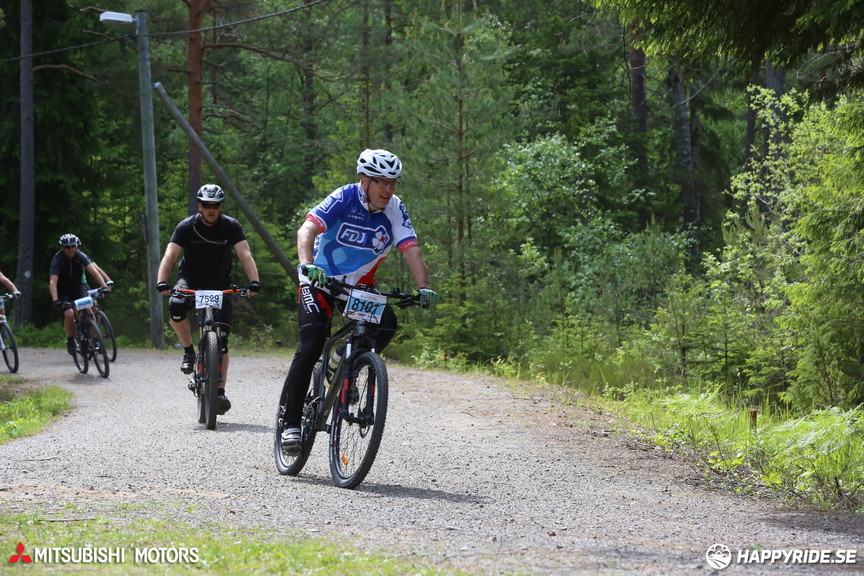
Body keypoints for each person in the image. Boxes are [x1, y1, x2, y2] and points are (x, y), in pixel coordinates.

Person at [279, 148, 437, 451]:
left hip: (358, 287)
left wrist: (424, 287)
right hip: (320, 279)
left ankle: (343, 361)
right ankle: (291, 424)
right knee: (311, 344)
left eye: (392, 183)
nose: (388, 189)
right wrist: (307, 265)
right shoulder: (344, 196)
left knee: (387, 323)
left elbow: (411, 249)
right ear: (364, 180)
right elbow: (307, 230)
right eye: (381, 182)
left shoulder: (395, 208)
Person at [156, 184, 261, 415]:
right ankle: (188, 350)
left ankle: (220, 392)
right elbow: (170, 254)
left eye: (215, 205)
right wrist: (162, 281)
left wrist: (254, 282)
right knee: (176, 305)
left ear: (221, 206)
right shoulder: (186, 226)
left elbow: (245, 254)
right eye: (206, 205)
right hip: (190, 281)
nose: (211, 209)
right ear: (199, 206)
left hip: (220, 284)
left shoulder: (231, 226)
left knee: (222, 341)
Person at [48, 234, 111, 355]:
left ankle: (95, 339)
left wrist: (104, 287)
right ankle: (70, 339)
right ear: (62, 248)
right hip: (63, 290)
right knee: (69, 314)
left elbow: (94, 271)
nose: (71, 249)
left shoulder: (80, 255)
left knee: (90, 310)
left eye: (73, 246)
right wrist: (55, 300)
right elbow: (53, 282)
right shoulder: (57, 260)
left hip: (78, 287)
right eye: (67, 247)